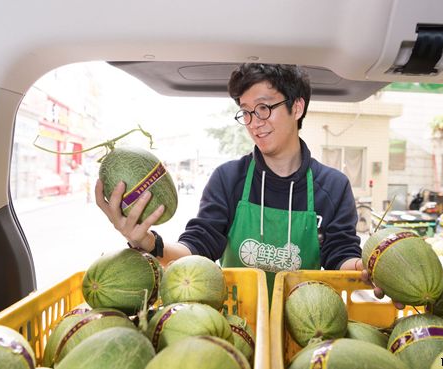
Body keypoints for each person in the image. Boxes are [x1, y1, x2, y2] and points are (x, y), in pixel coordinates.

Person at [95, 63, 367, 296]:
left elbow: (340, 257)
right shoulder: (229, 178)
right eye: (246, 111)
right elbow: (198, 248)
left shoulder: (332, 186)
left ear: (297, 108)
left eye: (263, 108)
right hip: (233, 321)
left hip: (304, 324)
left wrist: (364, 269)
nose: (253, 122)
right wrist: (149, 243)